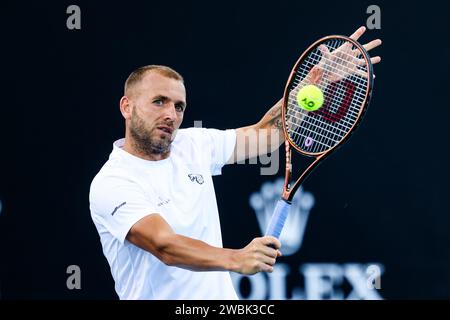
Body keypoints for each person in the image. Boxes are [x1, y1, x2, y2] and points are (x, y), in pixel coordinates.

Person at [89, 26, 381, 300]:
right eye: (159, 101)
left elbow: (268, 134)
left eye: (179, 106)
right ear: (127, 107)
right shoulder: (113, 183)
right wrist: (236, 258)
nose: (171, 114)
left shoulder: (194, 145)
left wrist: (316, 80)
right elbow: (165, 245)